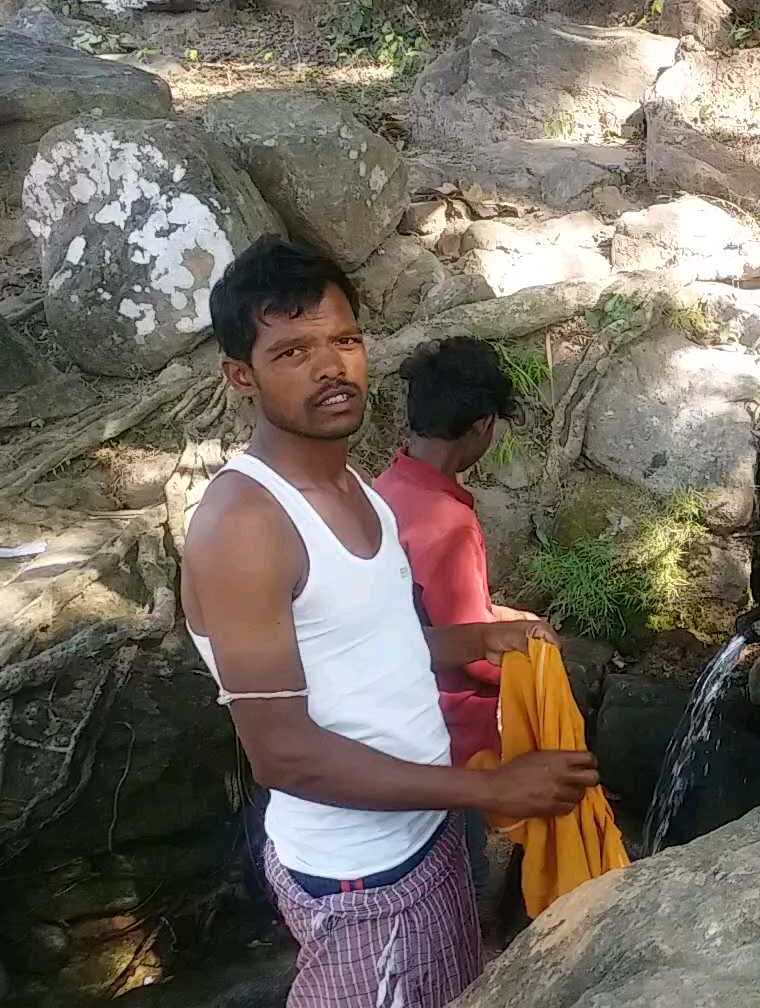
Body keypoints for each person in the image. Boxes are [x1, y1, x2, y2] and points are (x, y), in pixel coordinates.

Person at [180, 236, 598, 1008]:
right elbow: (284, 756)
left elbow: (366, 648)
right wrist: (489, 788)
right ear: (242, 376)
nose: (332, 366)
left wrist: (476, 639)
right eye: (293, 351)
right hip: (361, 877)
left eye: (344, 340)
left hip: (421, 840)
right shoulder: (245, 527)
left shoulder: (356, 488)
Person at [372, 336, 538, 901]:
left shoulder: (384, 492)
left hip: (389, 722)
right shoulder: (448, 522)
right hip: (446, 737)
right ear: (482, 425)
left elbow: (422, 614)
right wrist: (536, 662)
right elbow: (468, 653)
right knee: (457, 884)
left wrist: (504, 615)